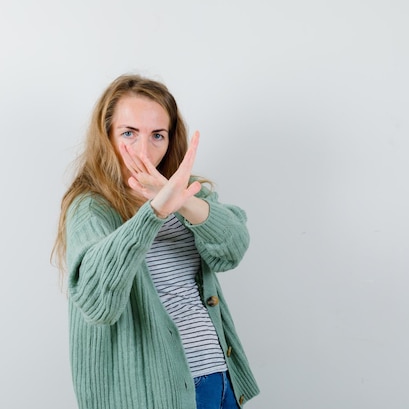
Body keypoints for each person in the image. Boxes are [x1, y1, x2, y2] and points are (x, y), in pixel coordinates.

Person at [52, 74, 259, 409]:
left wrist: (183, 201)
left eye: (157, 135)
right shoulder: (91, 207)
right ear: (106, 136)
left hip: (219, 380)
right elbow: (95, 301)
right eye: (129, 133)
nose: (144, 150)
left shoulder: (184, 189)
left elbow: (232, 249)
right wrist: (155, 211)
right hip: (154, 393)